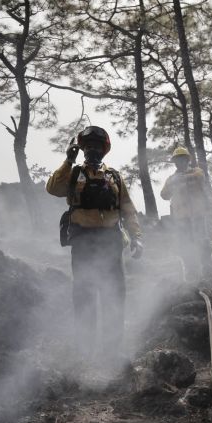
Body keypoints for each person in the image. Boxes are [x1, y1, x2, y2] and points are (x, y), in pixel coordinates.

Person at [46, 126, 143, 362]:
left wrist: (137, 237)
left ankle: (112, 351)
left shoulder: (114, 176)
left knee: (114, 296)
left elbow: (128, 209)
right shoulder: (73, 173)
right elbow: (52, 188)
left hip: (110, 242)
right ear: (82, 149)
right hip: (83, 242)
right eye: (88, 146)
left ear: (104, 149)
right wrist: (68, 160)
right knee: (84, 295)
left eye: (97, 146)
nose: (92, 150)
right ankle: (85, 351)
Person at [160, 147, 212, 283]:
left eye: (182, 159)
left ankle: (207, 269)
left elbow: (200, 178)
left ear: (188, 160)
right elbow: (164, 195)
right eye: (177, 160)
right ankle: (191, 273)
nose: (180, 162)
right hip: (181, 219)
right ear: (175, 162)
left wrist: (180, 179)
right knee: (185, 245)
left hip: (198, 215)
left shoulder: (197, 172)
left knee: (203, 242)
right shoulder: (171, 179)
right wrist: (174, 182)